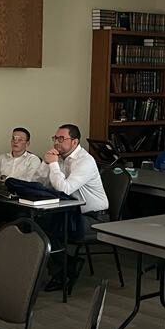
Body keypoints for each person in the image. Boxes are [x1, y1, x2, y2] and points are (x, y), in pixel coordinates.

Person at [37, 124, 109, 292]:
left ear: (75, 142)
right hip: (70, 212)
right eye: (55, 138)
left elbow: (64, 189)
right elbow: (40, 183)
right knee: (35, 223)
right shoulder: (60, 158)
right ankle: (68, 265)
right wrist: (46, 164)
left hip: (94, 218)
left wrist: (53, 165)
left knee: (48, 228)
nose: (56, 142)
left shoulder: (85, 161)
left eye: (61, 139)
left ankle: (62, 271)